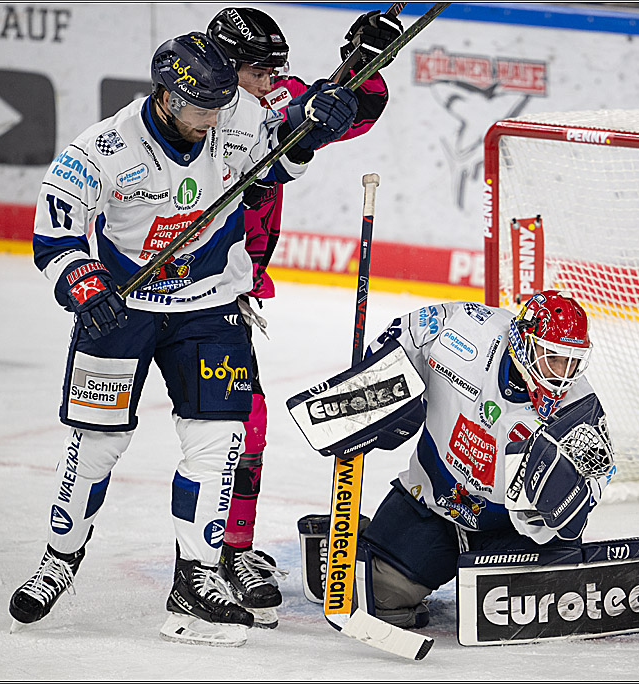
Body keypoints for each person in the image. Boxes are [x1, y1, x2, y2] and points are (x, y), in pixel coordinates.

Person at [8, 31, 357, 647]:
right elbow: (54, 237)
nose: (215, 119)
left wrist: (316, 126)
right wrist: (84, 287)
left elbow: (281, 158)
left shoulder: (236, 113)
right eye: (202, 109)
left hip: (210, 303)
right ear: (166, 96)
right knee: (96, 446)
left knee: (219, 441)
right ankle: (58, 561)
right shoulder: (102, 149)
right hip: (123, 309)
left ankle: (195, 572)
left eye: (222, 105)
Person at [202, 7, 401, 628]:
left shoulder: (272, 96)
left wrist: (363, 65)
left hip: (224, 297)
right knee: (105, 434)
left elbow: (335, 111)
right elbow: (279, 125)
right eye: (259, 71)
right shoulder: (195, 107)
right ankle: (64, 553)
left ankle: (228, 553)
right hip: (159, 287)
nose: (271, 81)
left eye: (274, 70)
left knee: (244, 426)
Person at [354, 291, 614, 628]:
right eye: (554, 357)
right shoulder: (463, 329)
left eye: (572, 361)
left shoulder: (580, 410)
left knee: (527, 618)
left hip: (511, 534)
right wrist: (366, 392)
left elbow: (594, 483)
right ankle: (356, 539)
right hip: (433, 506)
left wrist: (562, 503)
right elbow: (401, 338)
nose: (563, 373)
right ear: (524, 341)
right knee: (380, 596)